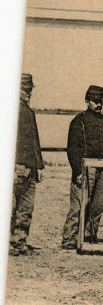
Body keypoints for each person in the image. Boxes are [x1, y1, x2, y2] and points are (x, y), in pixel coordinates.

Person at [61, 85, 103, 249]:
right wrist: (78, 171)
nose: (99, 104)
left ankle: (89, 235)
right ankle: (69, 239)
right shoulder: (79, 122)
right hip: (85, 169)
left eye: (101, 101)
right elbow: (73, 149)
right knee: (78, 205)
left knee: (98, 205)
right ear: (87, 101)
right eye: (95, 101)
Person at [10, 73, 44, 256]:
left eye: (30, 90)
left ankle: (19, 242)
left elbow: (34, 143)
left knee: (26, 207)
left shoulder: (28, 112)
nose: (28, 93)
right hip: (17, 167)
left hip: (30, 168)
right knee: (11, 207)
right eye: (25, 90)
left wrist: (39, 166)